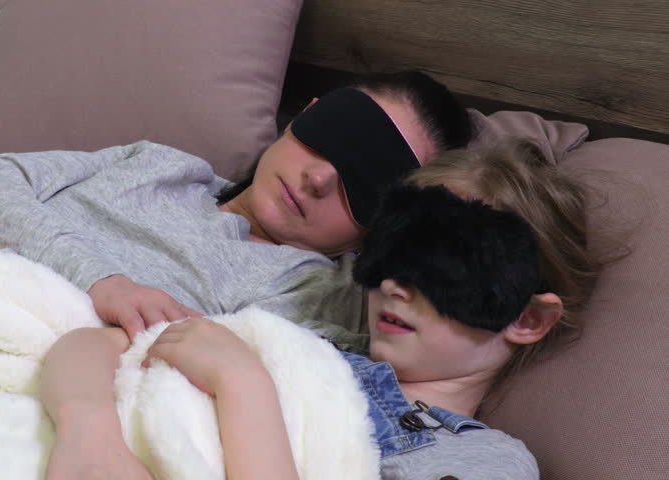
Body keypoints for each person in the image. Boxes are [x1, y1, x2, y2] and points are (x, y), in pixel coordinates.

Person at [39, 139, 609, 479]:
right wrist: (89, 435)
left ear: (527, 318)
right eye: (395, 247)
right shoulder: (297, 332)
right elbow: (100, 341)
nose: (398, 285)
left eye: (449, 264)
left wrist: (245, 387)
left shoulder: (484, 461)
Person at [0, 71, 472, 351]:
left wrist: (1, 262)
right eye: (336, 132)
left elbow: (192, 371)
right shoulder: (159, 163)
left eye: (362, 184)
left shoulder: (315, 294)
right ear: (309, 109)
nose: (316, 177)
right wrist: (101, 281)